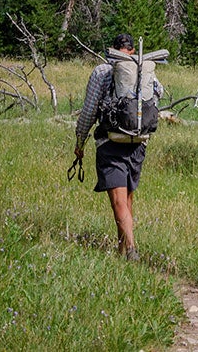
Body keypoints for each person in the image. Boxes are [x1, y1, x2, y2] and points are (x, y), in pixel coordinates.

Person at [72, 33, 165, 260]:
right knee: (127, 199)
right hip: (137, 142)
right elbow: (158, 93)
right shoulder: (143, 71)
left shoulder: (103, 71)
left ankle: (131, 248)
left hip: (110, 141)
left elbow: (89, 111)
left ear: (112, 49)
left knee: (118, 201)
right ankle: (122, 250)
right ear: (132, 51)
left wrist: (80, 141)